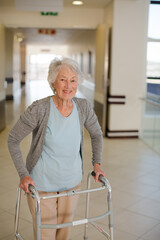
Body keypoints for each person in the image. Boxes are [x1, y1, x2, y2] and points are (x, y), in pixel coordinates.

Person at [8, 57, 105, 240]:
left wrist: (97, 164)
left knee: (64, 233)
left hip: (72, 183)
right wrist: (23, 174)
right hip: (42, 185)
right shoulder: (40, 108)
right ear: (53, 82)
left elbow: (97, 134)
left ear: (78, 83)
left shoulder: (83, 107)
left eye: (73, 80)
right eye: (63, 79)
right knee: (46, 235)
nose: (68, 85)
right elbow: (13, 139)